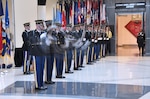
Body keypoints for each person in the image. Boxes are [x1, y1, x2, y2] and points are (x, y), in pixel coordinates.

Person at [29, 20, 47, 90]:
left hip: (43, 53)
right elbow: (32, 41)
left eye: (41, 25)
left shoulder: (44, 33)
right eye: (38, 25)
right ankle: (37, 84)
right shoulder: (32, 33)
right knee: (37, 69)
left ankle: (41, 83)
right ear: (36, 25)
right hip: (36, 53)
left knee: (42, 69)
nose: (39, 26)